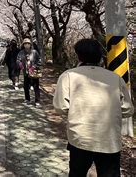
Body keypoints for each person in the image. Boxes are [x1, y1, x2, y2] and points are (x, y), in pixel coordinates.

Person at [53, 38, 134, 177]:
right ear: (100, 56)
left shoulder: (68, 76)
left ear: (79, 56)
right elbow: (128, 110)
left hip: (80, 139)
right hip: (109, 140)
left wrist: (76, 113)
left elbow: (61, 107)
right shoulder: (115, 78)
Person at [17, 37, 41, 107]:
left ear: (30, 45)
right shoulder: (21, 53)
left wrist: (34, 66)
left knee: (36, 86)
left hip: (34, 71)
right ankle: (27, 99)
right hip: (25, 71)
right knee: (26, 86)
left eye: (28, 44)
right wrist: (20, 65)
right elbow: (18, 60)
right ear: (23, 45)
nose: (27, 45)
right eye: (25, 44)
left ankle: (37, 101)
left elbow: (39, 60)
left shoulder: (34, 52)